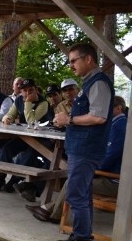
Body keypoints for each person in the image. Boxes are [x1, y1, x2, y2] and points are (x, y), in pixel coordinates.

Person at [53, 43, 114, 241]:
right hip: (82, 148)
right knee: (83, 194)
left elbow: (99, 117)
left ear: (88, 59)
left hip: (87, 150)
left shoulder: (98, 84)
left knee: (76, 194)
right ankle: (81, 236)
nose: (71, 65)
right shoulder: (90, 83)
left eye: (73, 60)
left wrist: (68, 119)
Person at [27, 96, 126, 224]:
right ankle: (47, 208)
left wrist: (90, 167)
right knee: (75, 174)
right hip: (109, 176)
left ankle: (53, 214)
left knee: (74, 180)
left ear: (119, 108)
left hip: (115, 182)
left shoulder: (119, 127)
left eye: (108, 108)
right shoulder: (115, 124)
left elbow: (109, 157)